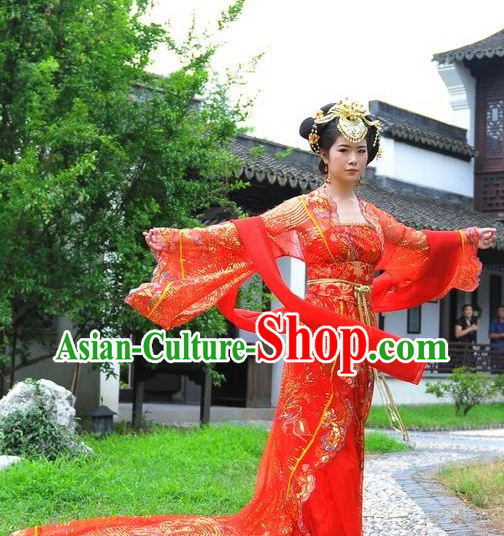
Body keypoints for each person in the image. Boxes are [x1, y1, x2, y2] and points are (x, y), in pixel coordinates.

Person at [12, 99, 496, 536]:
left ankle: (335, 525)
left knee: (347, 434)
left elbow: (416, 242)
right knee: (310, 431)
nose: (354, 158)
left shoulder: (374, 216)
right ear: (323, 156)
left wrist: (466, 237)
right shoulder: (303, 211)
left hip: (359, 339)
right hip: (319, 334)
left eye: (361, 150)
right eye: (344, 149)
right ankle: (296, 522)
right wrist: (182, 243)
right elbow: (244, 235)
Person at [453, 304, 479, 368]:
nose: (469, 311)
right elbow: (457, 334)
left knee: (471, 367)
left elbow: (472, 336)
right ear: (463, 311)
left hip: (470, 348)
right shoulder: (460, 321)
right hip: (461, 347)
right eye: (467, 309)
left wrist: (474, 345)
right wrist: (470, 328)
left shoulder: (472, 321)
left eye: (470, 310)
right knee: (461, 366)